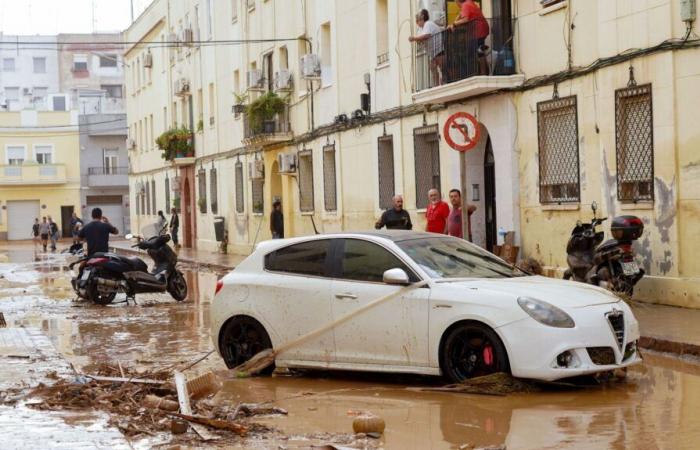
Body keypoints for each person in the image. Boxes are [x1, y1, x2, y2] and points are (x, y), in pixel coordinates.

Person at [409, 9, 444, 86]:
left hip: (438, 50)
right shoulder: (421, 29)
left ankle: (443, 84)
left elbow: (426, 36)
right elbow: (420, 39)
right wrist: (417, 40)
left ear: (422, 19)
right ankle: (437, 86)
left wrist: (414, 38)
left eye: (418, 20)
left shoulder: (428, 24)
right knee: (433, 68)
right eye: (416, 21)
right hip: (433, 53)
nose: (417, 22)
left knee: (442, 69)